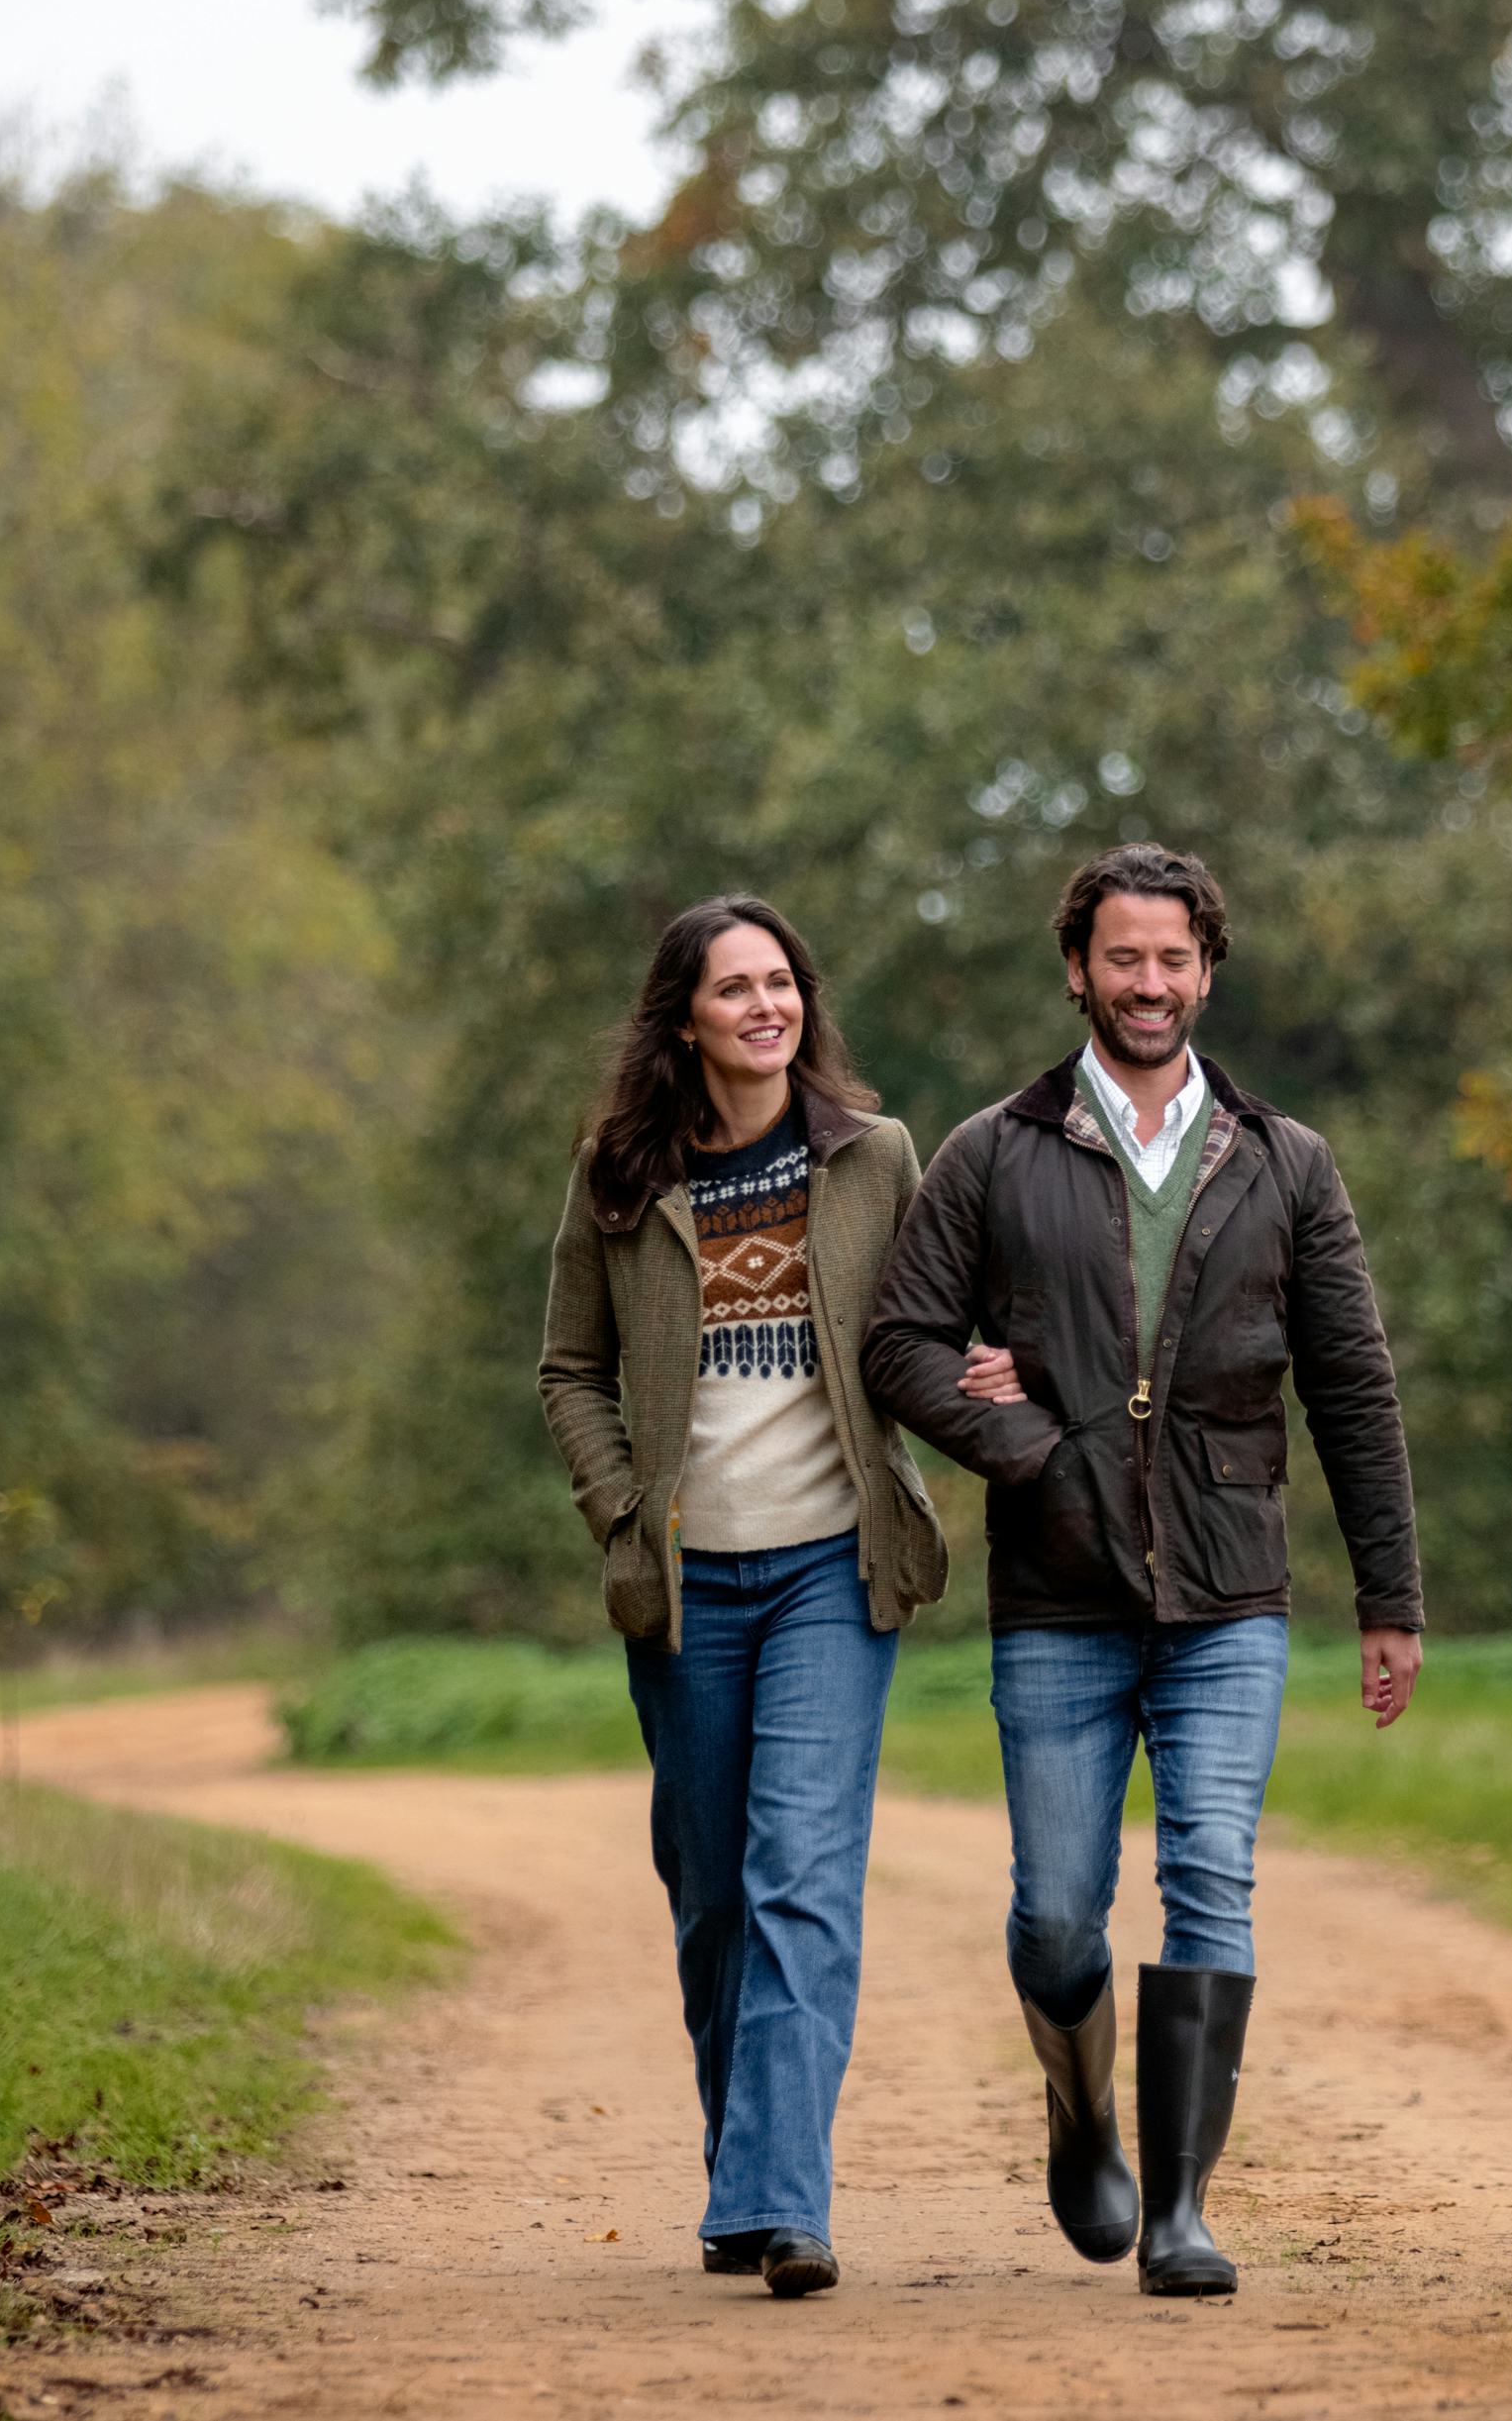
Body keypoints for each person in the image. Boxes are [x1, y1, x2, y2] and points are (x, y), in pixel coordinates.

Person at [863, 842, 1423, 2300]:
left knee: (1213, 1877)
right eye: (1125, 957)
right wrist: (1024, 1441)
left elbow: (1353, 1386)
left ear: (1208, 971)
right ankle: (1081, 2101)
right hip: (1056, 1589)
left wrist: (1390, 1597)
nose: (1151, 983)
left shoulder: (1286, 1160)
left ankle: (1179, 2207)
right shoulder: (994, 1150)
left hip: (1232, 1588)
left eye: (1175, 959)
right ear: (1078, 969)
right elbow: (902, 1342)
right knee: (1056, 1914)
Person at [538, 894, 948, 2299]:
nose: (766, 1006)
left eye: (782, 982)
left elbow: (931, 1328)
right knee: (712, 1891)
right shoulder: (618, 1177)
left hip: (836, 1566)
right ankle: (747, 2166)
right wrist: (614, 1504)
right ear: (686, 1019)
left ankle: (785, 2198)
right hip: (686, 1582)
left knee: (800, 1879)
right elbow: (566, 1369)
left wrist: (990, 1378)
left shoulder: (874, 1156)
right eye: (735, 989)